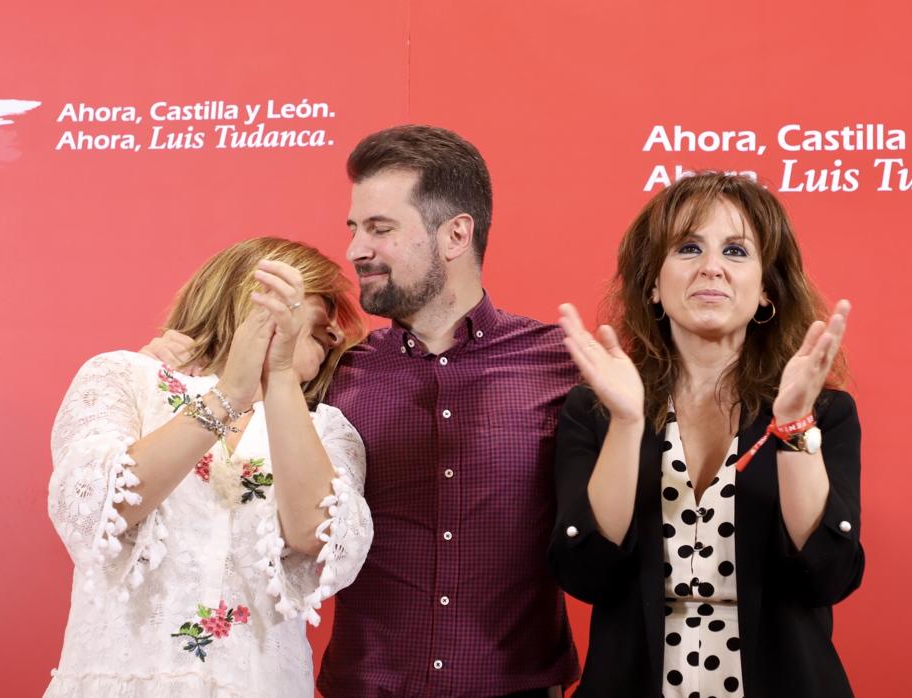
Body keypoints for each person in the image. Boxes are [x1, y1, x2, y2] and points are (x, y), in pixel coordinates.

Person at [146, 125, 580, 697]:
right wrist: (164, 373)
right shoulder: (333, 372)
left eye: (380, 229)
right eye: (354, 228)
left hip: (516, 686)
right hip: (365, 687)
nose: (355, 250)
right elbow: (223, 447)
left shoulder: (563, 364)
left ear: (455, 235)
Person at [549, 172, 863, 697]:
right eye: (689, 247)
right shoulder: (596, 409)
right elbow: (586, 575)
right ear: (652, 282)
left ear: (766, 290)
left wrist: (792, 426)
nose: (711, 267)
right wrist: (627, 424)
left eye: (737, 251)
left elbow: (827, 576)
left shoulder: (824, 413)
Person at [46, 237, 373, 697]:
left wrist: (277, 378)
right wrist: (228, 395)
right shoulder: (126, 376)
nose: (334, 337)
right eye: (316, 318)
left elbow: (317, 536)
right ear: (249, 301)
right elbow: (102, 505)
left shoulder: (327, 429)